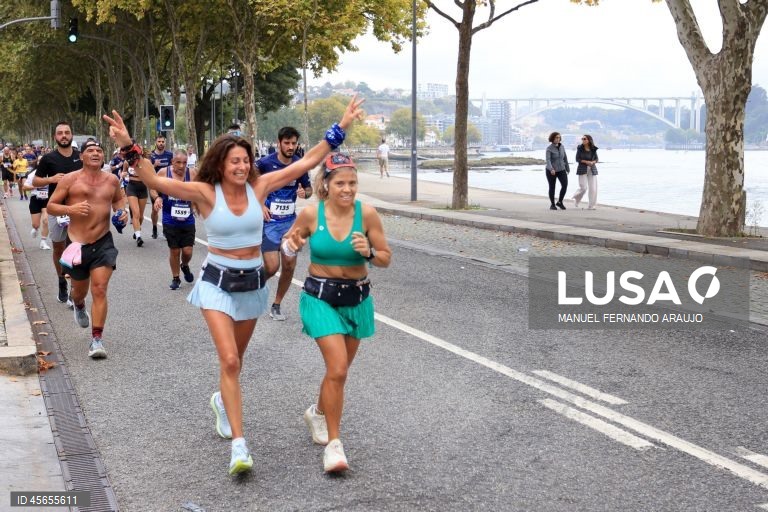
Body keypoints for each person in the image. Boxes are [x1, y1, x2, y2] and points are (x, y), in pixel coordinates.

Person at [103, 94, 365, 476]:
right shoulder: (206, 193)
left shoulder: (260, 187)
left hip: (253, 284)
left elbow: (307, 162)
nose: (242, 166)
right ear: (221, 165)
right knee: (228, 359)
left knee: (236, 362)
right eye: (235, 161)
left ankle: (222, 401)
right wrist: (129, 146)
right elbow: (153, 179)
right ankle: (239, 447)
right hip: (216, 282)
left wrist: (340, 128)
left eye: (246, 160)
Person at [284, 152, 391, 473]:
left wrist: (369, 253)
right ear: (325, 185)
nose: (347, 189)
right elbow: (288, 247)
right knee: (339, 368)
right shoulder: (311, 214)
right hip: (320, 299)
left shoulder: (367, 214)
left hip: (357, 300)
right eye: (341, 183)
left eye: (352, 183)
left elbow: (385, 257)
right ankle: (334, 445)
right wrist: (291, 247)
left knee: (337, 373)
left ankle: (318, 413)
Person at [46, 140, 129, 359]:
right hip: (77, 244)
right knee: (79, 292)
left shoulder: (112, 180)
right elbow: (51, 206)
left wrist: (122, 213)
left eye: (99, 151)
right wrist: (71, 209)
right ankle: (79, 304)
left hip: (103, 242)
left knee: (99, 289)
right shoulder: (70, 179)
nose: (95, 153)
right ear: (81, 156)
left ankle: (97, 340)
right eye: (90, 150)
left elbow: (119, 201)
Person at [256, 126, 312, 321]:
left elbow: (309, 189)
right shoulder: (264, 163)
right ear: (278, 143)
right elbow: (250, 185)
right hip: (270, 223)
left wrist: (305, 193)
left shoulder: (299, 165)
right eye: (286, 143)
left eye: (293, 143)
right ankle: (252, 285)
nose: (290, 147)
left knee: (288, 265)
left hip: (290, 224)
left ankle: (277, 305)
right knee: (272, 267)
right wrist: (260, 204)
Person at [32, 121, 84, 305]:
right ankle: (62, 280)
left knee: (76, 248)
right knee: (59, 248)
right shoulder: (48, 158)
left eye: (67, 132)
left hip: (78, 209)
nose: (64, 136)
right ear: (55, 136)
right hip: (56, 209)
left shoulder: (80, 157)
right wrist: (51, 179)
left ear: (71, 135)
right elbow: (35, 181)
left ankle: (73, 290)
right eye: (60, 133)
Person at [150, 150, 197, 290]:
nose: (181, 166)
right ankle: (176, 278)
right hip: (169, 218)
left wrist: (197, 203)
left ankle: (185, 265)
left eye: (184, 162)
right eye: (178, 162)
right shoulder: (163, 173)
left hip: (188, 218)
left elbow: (200, 190)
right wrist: (157, 198)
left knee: (187, 251)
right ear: (172, 162)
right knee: (175, 250)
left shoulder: (192, 173)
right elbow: (152, 188)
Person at [149, 135, 174, 239]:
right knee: (155, 209)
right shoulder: (151, 156)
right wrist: (154, 165)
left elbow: (173, 168)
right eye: (159, 141)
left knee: (168, 208)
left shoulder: (169, 155)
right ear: (156, 142)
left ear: (165, 142)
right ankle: (154, 228)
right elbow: (146, 171)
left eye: (162, 142)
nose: (161, 143)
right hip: (155, 186)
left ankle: (165, 229)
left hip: (167, 185)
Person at [23, 167, 52, 250]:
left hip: (47, 200)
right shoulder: (33, 174)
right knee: (36, 224)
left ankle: (43, 242)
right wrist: (36, 186)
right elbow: (24, 187)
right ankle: (35, 228)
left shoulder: (52, 172)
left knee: (46, 220)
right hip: (35, 199)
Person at [572, 134, 599, 210]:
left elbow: (597, 159)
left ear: (589, 140)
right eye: (582, 139)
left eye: (584, 139)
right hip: (582, 168)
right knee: (583, 187)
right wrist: (586, 162)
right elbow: (577, 159)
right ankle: (576, 198)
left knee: (593, 188)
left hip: (592, 169)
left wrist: (592, 162)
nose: (583, 140)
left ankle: (591, 205)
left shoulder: (593, 149)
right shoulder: (580, 148)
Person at [545, 131, 569, 210]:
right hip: (551, 171)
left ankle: (560, 202)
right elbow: (548, 160)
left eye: (559, 137)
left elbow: (565, 158)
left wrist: (567, 168)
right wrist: (551, 169)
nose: (558, 139)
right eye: (556, 137)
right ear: (552, 138)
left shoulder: (562, 147)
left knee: (565, 185)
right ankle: (552, 204)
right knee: (552, 187)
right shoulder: (549, 149)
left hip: (562, 169)